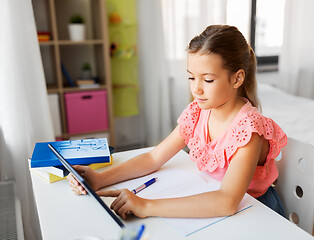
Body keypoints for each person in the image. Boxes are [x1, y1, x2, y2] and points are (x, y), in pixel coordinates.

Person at [68, 25, 287, 219]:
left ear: (237, 79)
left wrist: (146, 206)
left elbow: (227, 201)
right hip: (213, 200)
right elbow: (154, 157)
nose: (196, 89)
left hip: (256, 212)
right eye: (192, 77)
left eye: (208, 79)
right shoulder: (198, 112)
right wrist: (99, 178)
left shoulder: (249, 129)